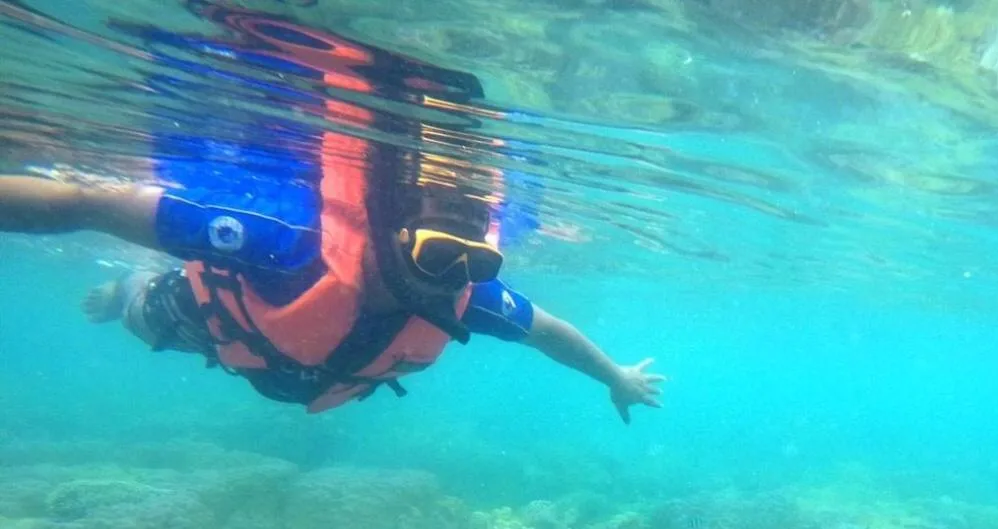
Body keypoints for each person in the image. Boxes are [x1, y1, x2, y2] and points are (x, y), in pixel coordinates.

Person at [0, 10, 663, 420]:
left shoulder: (464, 295)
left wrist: (618, 378)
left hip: (295, 367)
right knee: (145, 314)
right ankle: (126, 287)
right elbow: (88, 201)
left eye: (476, 263)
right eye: (438, 254)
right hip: (212, 323)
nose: (453, 275)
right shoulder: (288, 241)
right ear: (396, 227)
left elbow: (551, 332)